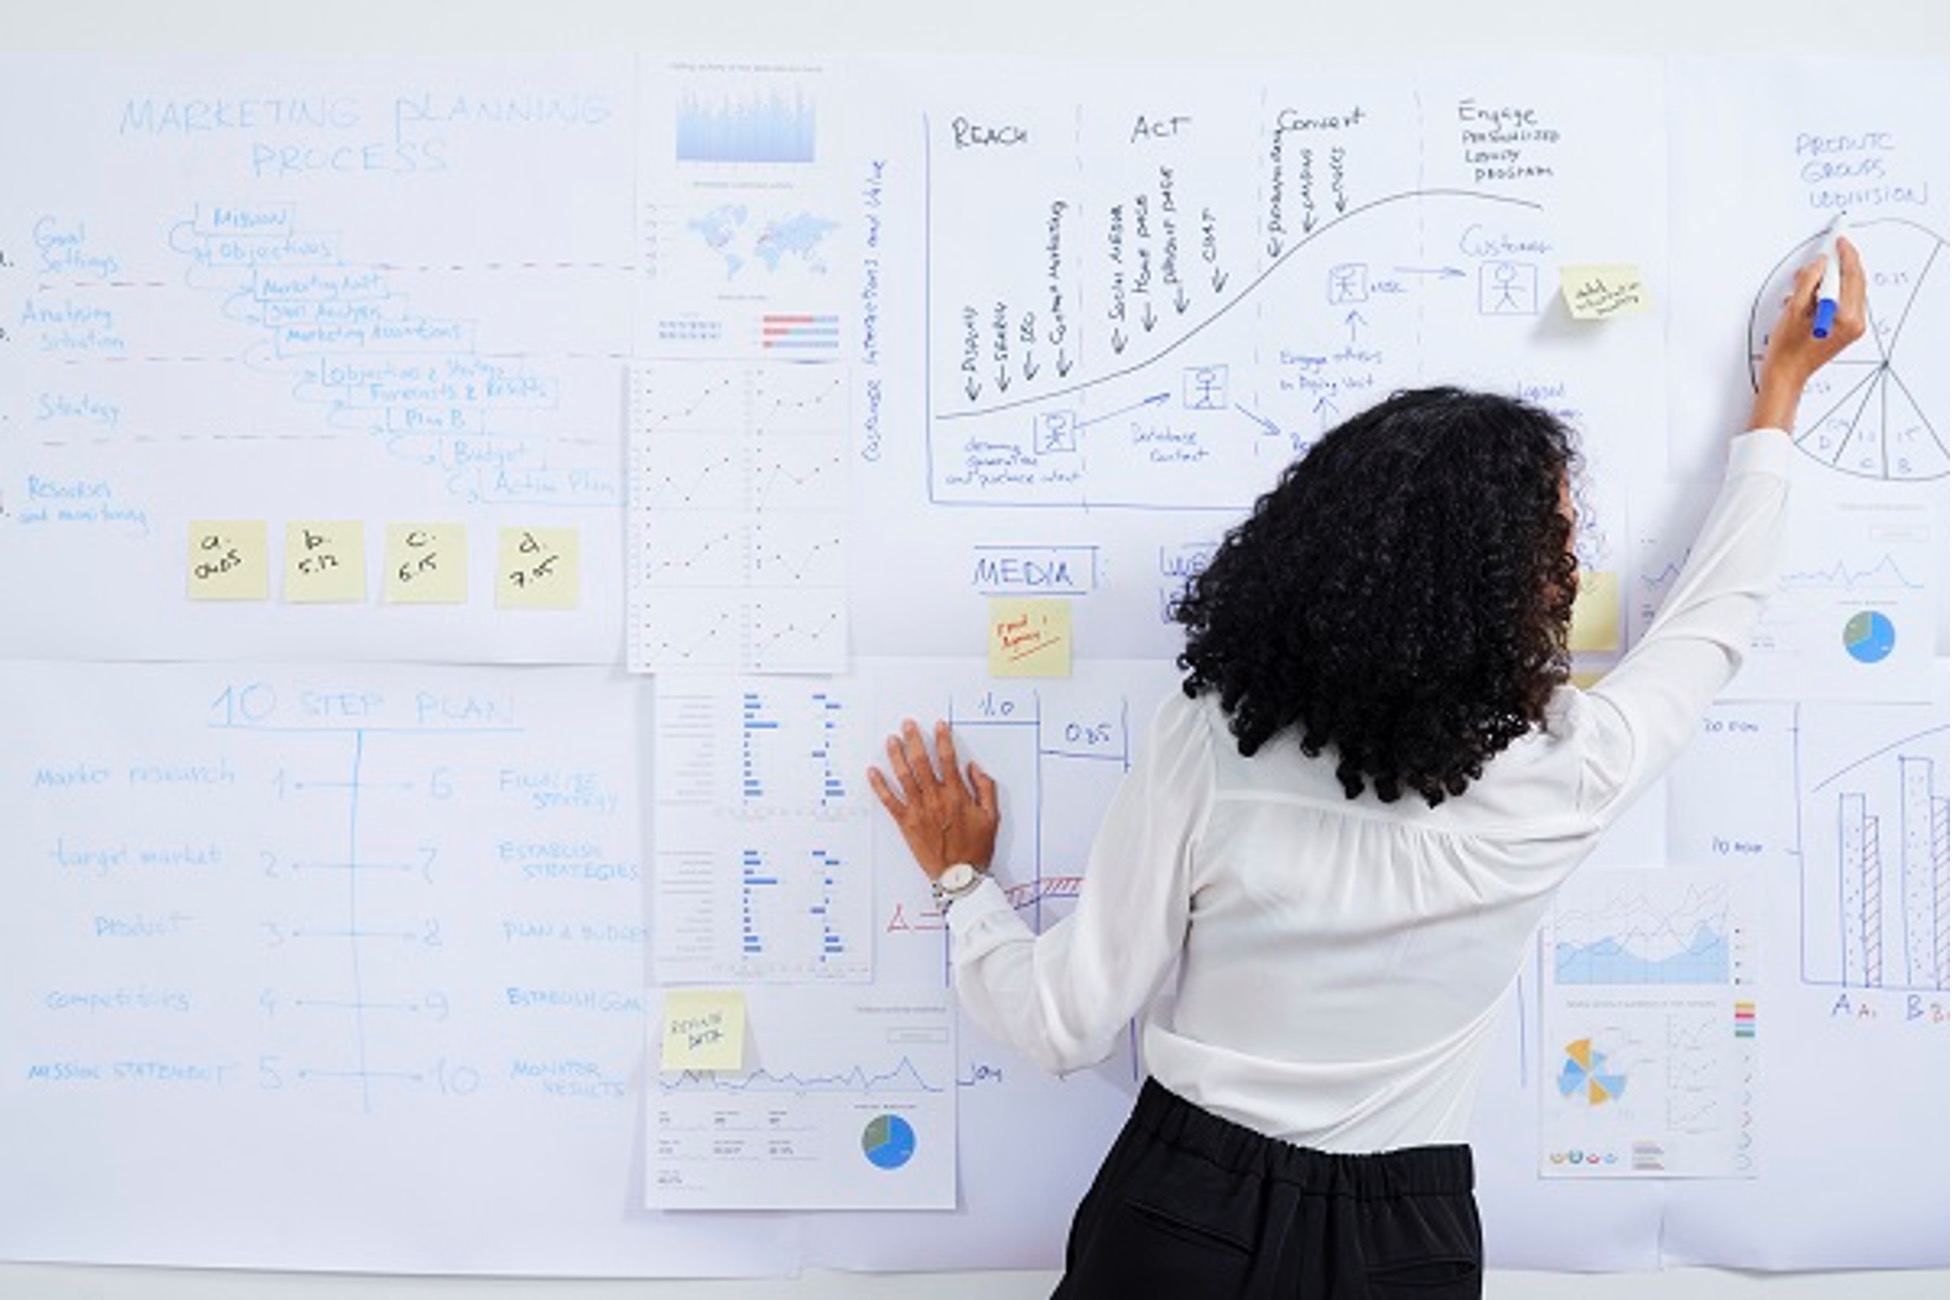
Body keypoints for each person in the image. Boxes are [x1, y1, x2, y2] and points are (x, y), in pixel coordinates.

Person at [868, 240, 1867, 1299]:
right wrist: (1777, 398)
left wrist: (966, 888)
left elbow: (1063, 1019)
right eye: (1559, 553)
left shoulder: (1213, 739)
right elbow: (1711, 627)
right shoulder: (1568, 772)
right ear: (1506, 601)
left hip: (1179, 1214)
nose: (1569, 575)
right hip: (1408, 1242)